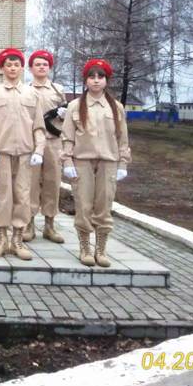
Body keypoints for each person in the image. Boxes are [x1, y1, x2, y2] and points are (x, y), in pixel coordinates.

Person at [61, 59, 131, 267]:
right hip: (82, 162)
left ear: (107, 80)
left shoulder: (116, 107)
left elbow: (123, 138)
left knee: (104, 206)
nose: (96, 81)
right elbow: (67, 137)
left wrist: (123, 163)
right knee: (83, 205)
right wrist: (67, 162)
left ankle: (101, 249)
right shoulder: (75, 106)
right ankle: (85, 247)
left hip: (108, 163)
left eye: (100, 76)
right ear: (86, 80)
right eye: (91, 76)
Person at [0, 48, 45, 260]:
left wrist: (39, 150)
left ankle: (17, 240)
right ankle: (1, 240)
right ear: (2, 68)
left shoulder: (32, 93)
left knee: (23, 195)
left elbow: (39, 126)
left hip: (26, 154)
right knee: (3, 196)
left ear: (21, 68)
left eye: (16, 65)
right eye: (8, 65)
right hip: (2, 153)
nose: (12, 68)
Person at [25, 49, 68, 244]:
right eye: (37, 64)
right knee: (31, 184)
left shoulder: (58, 90)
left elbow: (69, 118)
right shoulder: (25, 89)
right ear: (31, 68)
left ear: (49, 68)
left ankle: (49, 225)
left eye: (45, 64)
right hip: (32, 143)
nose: (41, 67)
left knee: (52, 183)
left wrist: (63, 114)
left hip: (53, 142)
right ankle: (29, 224)